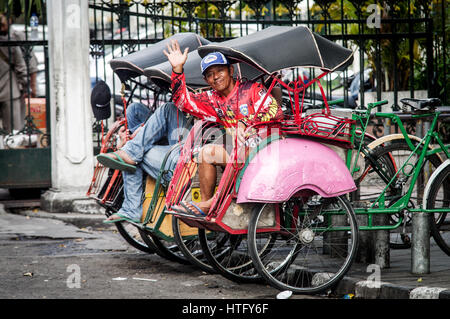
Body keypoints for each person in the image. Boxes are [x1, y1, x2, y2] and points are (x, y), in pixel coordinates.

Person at [164, 40, 283, 217]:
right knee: (205, 153)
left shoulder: (251, 89)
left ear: (231, 71)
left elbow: (274, 110)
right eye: (210, 75)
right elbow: (182, 102)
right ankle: (206, 205)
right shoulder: (213, 99)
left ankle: (214, 203)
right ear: (206, 80)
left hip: (267, 149)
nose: (216, 77)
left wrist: (244, 122)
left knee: (241, 146)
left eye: (220, 70)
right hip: (240, 153)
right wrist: (177, 70)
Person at [0, 14, 29, 133]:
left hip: (10, 91)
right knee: (13, 131)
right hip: (10, 91)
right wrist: (26, 86)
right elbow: (21, 67)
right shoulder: (10, 43)